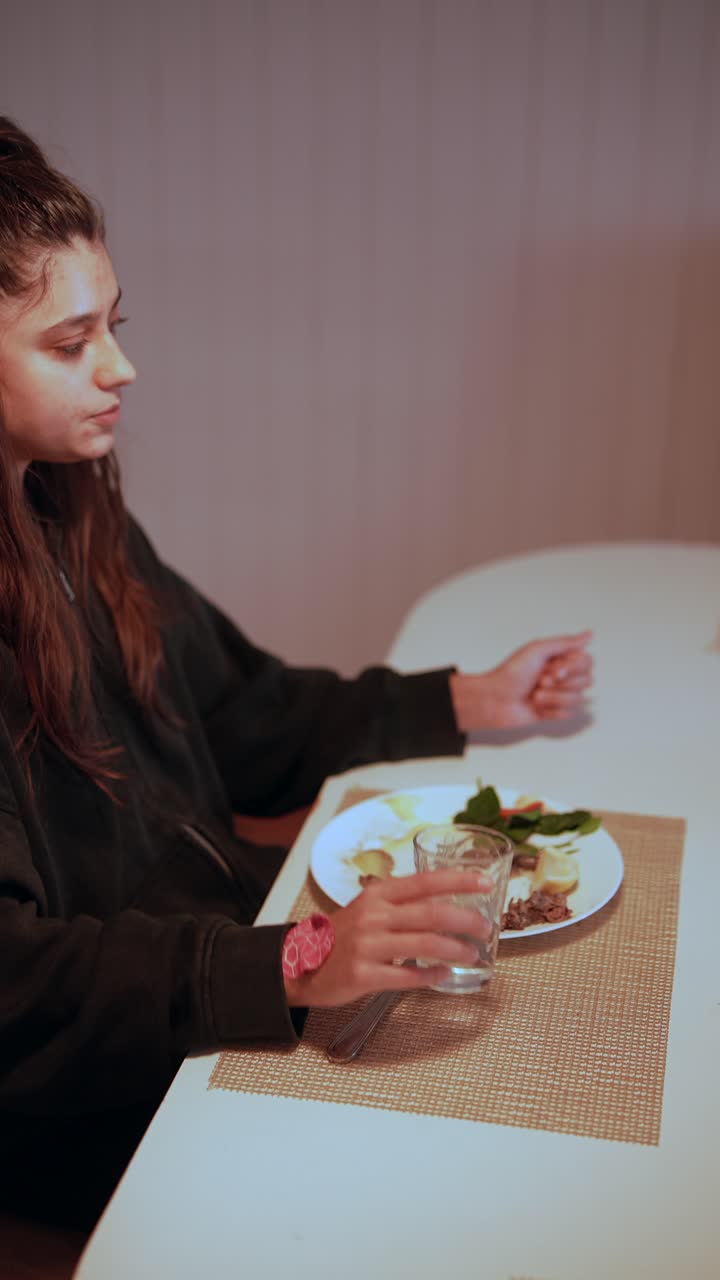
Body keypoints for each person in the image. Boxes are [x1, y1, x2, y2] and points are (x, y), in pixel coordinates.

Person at [0, 117, 592, 1228]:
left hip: (227, 960)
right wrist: (296, 960)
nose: (122, 368)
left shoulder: (70, 513)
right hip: (100, 1102)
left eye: (113, 327)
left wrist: (468, 698)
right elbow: (17, 987)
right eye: (70, 342)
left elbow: (241, 708)